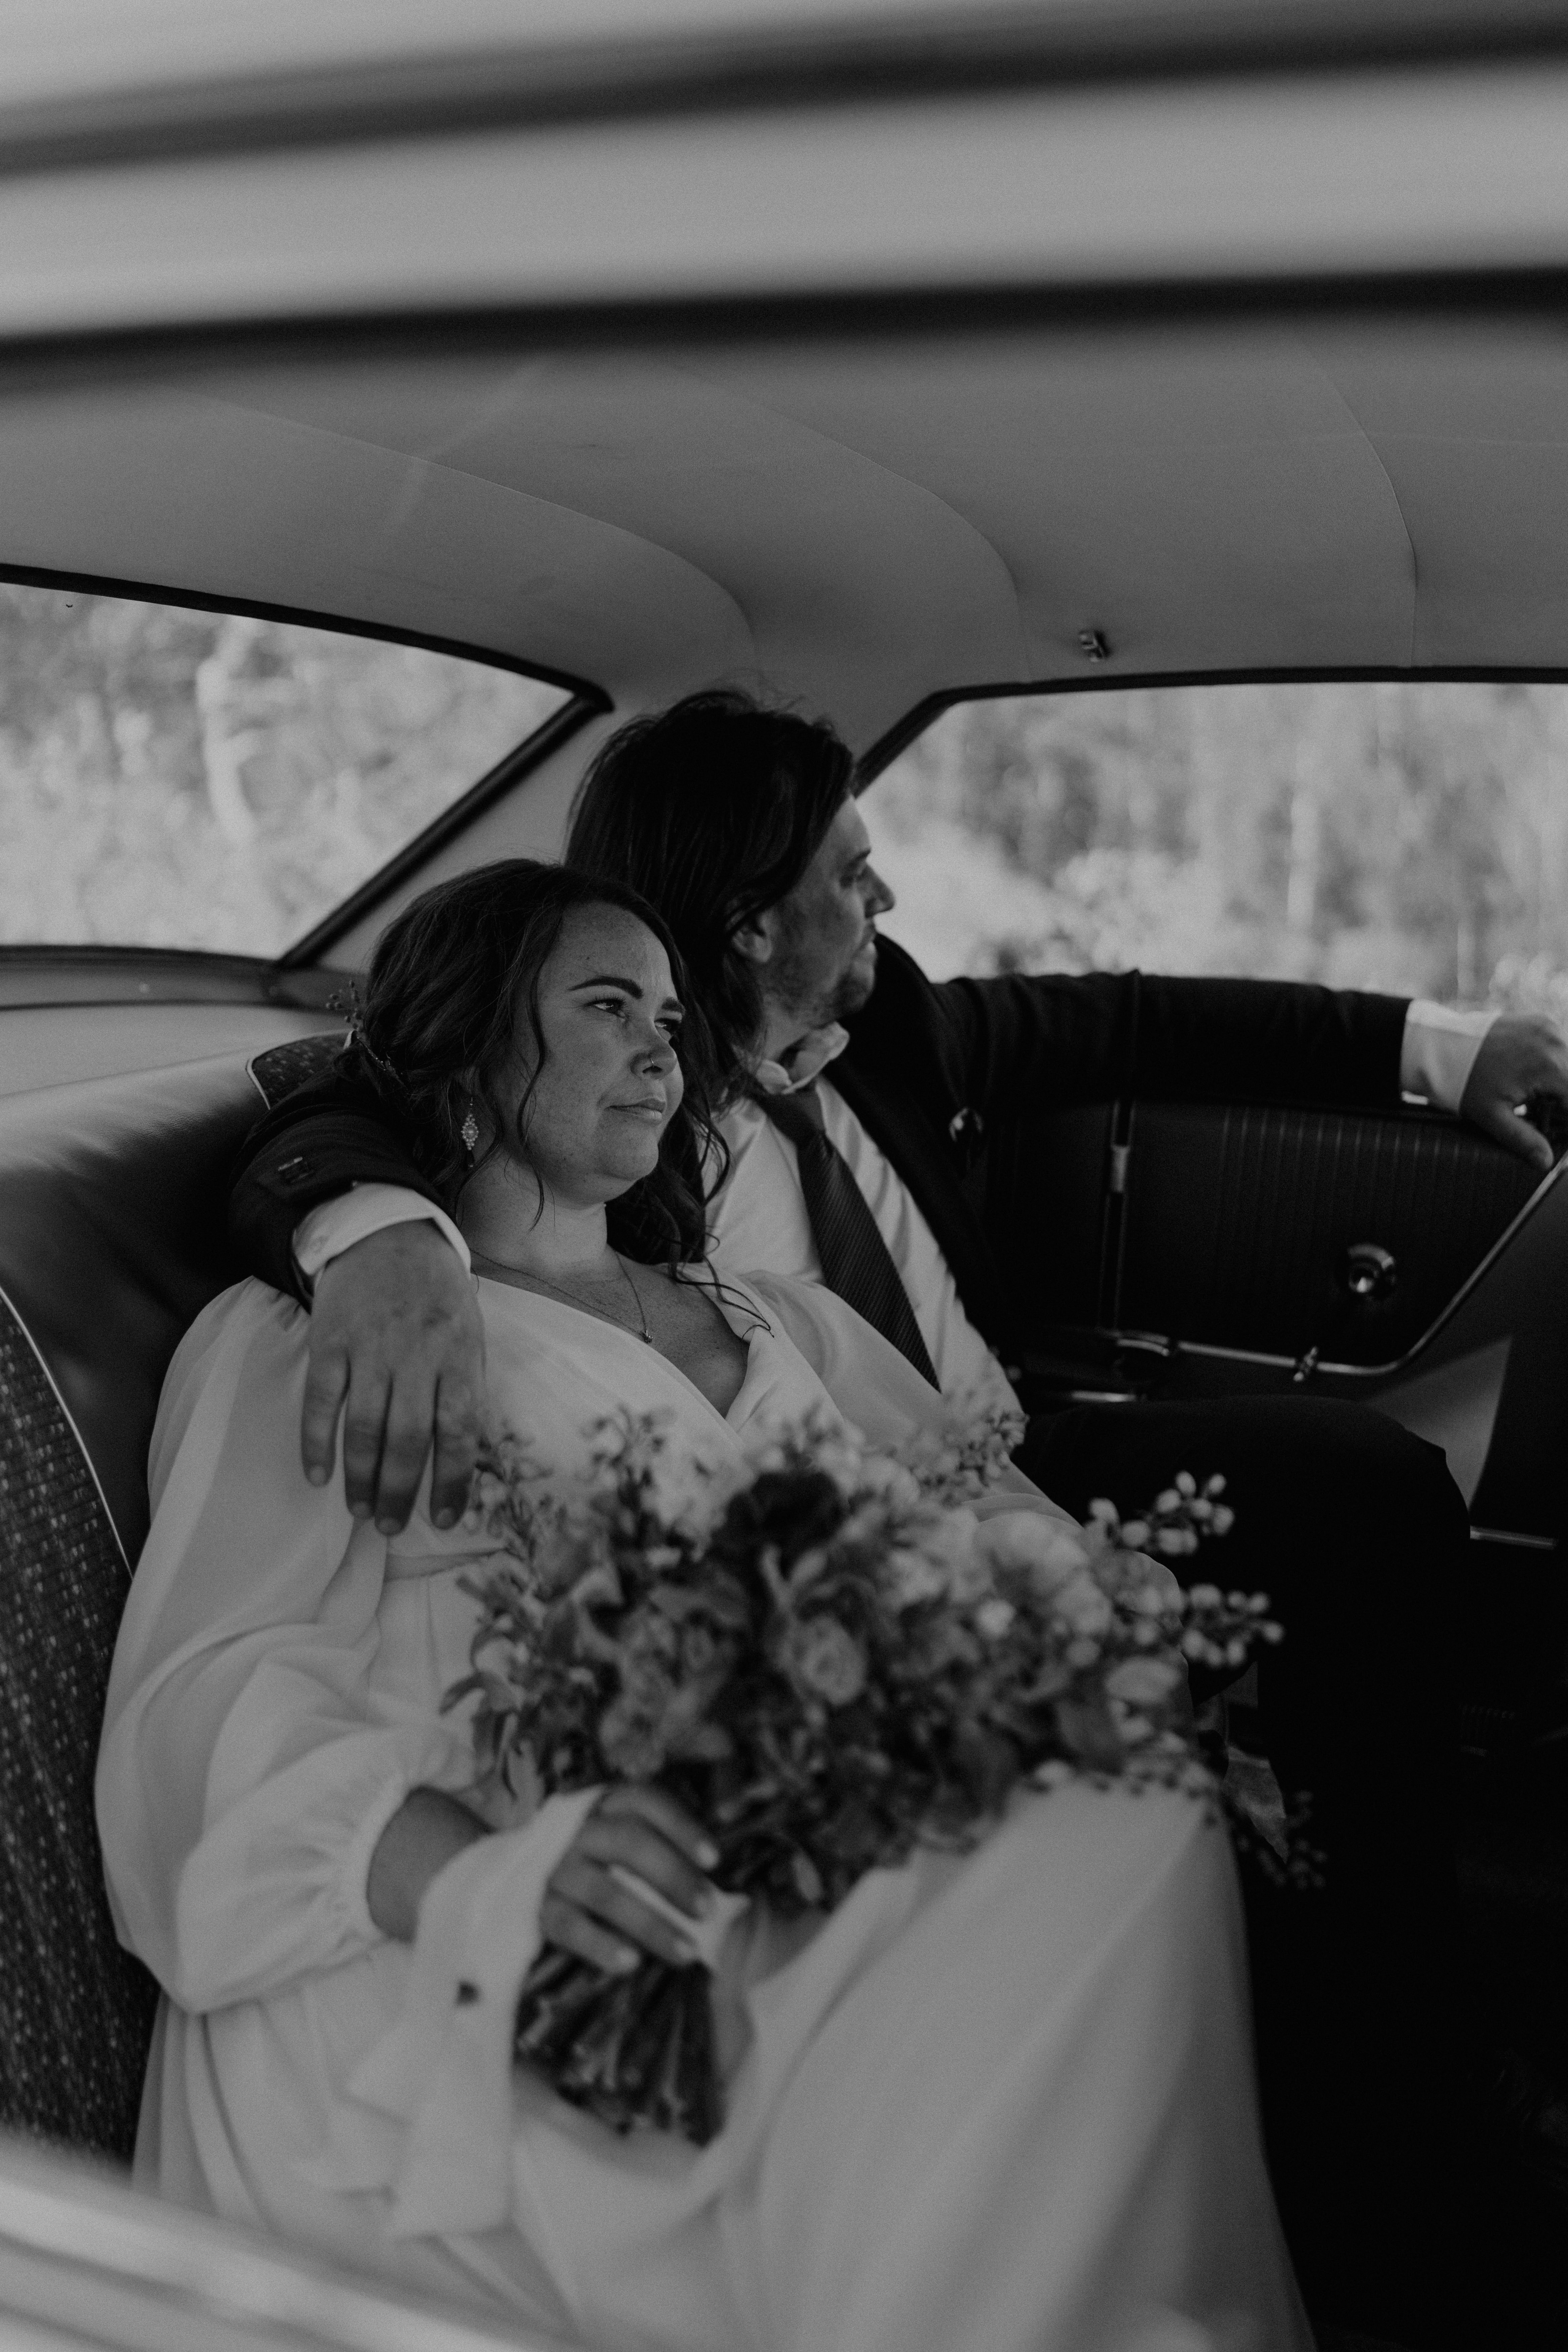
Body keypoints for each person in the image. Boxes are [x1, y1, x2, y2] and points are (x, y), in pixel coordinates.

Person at [231, 690, 1568, 2340]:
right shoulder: (486, 1182)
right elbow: (342, 1101)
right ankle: (1379, 2123)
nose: (883, 907)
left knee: (1343, 1521)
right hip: (797, 1539)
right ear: (747, 914)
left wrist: (1447, 1048)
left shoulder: (889, 1032)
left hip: (959, 1448)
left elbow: (1144, 1018)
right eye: (850, 875)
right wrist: (375, 1223)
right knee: (1332, 1522)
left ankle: (1384, 2051)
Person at [99, 861, 1314, 2352]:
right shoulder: (338, 1333)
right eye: (606, 1006)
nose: (666, 1048)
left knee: (1129, 1817)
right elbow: (202, 1692)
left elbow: (983, 1506)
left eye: (671, 1015)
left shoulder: (777, 1318)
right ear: (471, 1049)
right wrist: (472, 1874)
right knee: (1100, 1857)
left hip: (807, 1828)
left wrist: (1088, 1598)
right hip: (516, 1895)